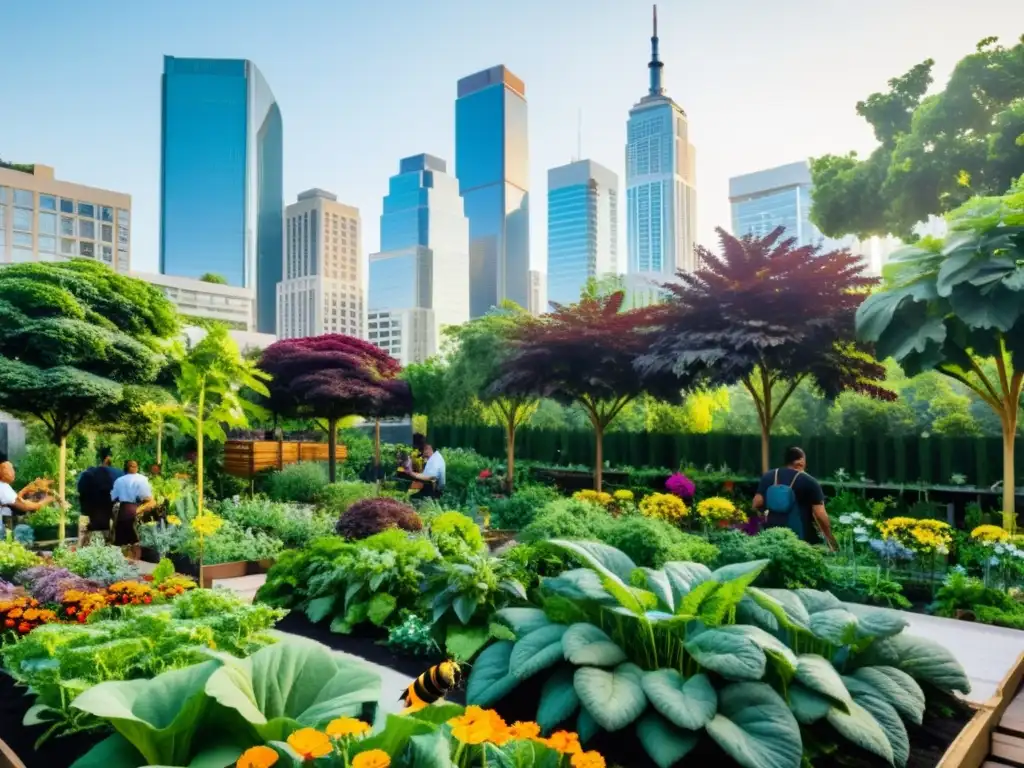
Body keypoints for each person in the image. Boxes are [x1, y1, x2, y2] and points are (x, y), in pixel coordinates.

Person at [752, 446, 837, 551]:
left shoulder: (769, 476)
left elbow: (757, 503)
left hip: (772, 533)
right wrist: (830, 539)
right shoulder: (809, 481)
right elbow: (820, 515)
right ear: (800, 462)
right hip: (799, 537)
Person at [77, 448, 124, 544]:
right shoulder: (119, 474)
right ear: (107, 459)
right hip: (110, 514)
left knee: (88, 541)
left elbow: (80, 490)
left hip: (90, 514)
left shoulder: (87, 474)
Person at [0, 461, 54, 535]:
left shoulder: (5, 486)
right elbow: (23, 506)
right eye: (11, 469)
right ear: (3, 472)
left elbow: (15, 500)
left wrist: (26, 489)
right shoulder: (3, 487)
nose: (14, 472)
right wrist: (43, 502)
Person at [110, 460, 155, 547]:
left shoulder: (119, 481)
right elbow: (148, 498)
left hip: (122, 513)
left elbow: (112, 498)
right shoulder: (142, 479)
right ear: (136, 468)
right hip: (136, 512)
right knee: (135, 544)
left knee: (121, 544)